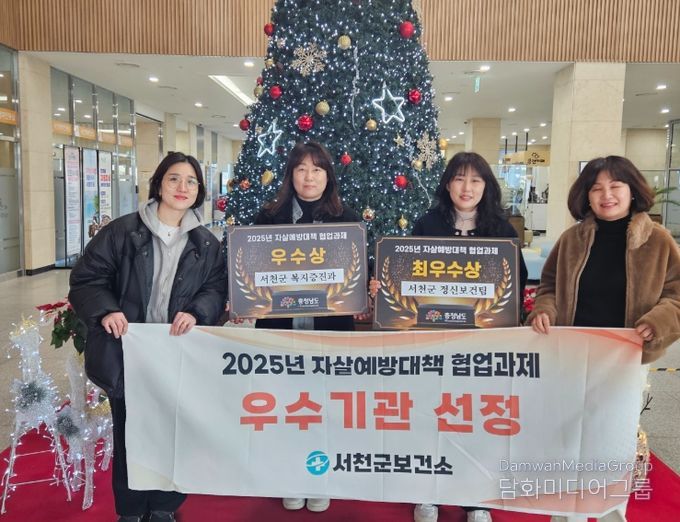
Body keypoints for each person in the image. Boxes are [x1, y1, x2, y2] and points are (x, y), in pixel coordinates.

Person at [69, 152, 227, 522]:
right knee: (131, 434)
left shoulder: (207, 243)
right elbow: (87, 279)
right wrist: (107, 310)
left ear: (199, 191)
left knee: (176, 432)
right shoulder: (122, 232)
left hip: (179, 355)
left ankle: (164, 507)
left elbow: (215, 289)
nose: (182, 187)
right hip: (129, 354)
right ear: (158, 184)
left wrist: (198, 311)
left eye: (191, 181)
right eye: (174, 178)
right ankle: (130, 510)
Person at [528, 155, 680, 522]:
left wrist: (657, 321)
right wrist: (544, 310)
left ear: (632, 191)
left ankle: (610, 511)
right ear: (586, 196)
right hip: (571, 353)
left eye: (615, 186)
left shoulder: (658, 240)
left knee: (613, 437)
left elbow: (676, 295)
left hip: (624, 357)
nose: (606, 195)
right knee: (567, 434)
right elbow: (548, 286)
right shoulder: (572, 239)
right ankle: (566, 511)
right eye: (596, 188)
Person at [410, 151, 528, 522]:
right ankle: (429, 492)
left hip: (482, 345)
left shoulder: (502, 230)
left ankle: (476, 498)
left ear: (486, 186)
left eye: (476, 180)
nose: (467, 187)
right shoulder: (427, 223)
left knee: (476, 419)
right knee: (432, 415)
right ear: (447, 184)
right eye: (459, 178)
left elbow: (517, 282)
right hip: (434, 339)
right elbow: (406, 274)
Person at [253, 140, 360, 512]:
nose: (309, 177)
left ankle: (320, 477)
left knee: (325, 407)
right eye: (301, 169)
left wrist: (368, 287)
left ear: (328, 175)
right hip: (281, 331)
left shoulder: (347, 218)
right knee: (287, 406)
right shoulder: (268, 217)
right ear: (291, 175)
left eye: (317, 169)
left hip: (330, 332)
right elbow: (252, 270)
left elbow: (357, 272)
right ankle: (290, 476)